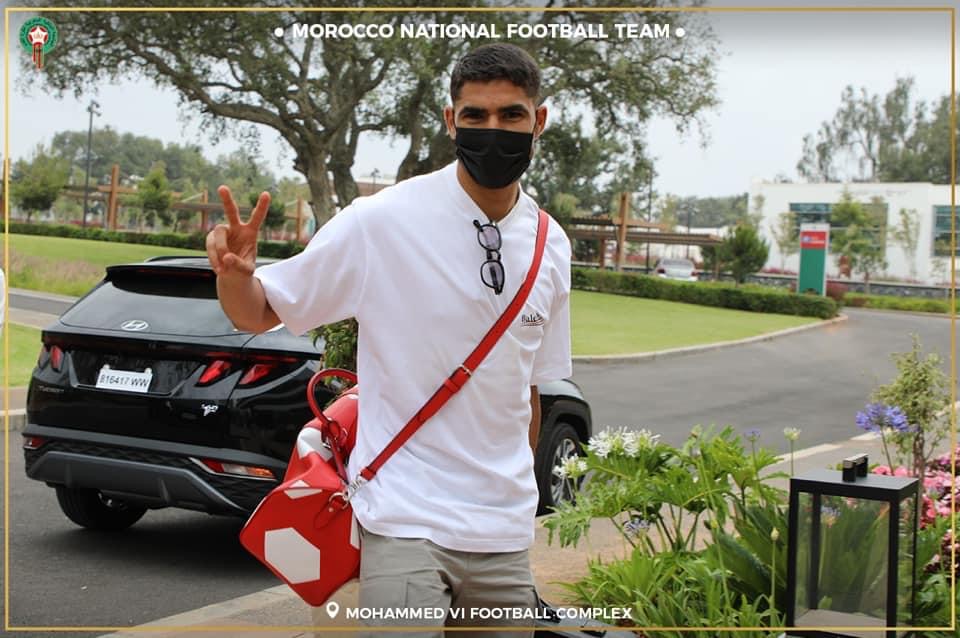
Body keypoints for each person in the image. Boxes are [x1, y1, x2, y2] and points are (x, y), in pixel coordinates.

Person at [206, 43, 571, 637]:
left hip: (503, 535)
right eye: (475, 115)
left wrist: (517, 499)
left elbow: (527, 392)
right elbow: (258, 312)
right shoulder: (382, 220)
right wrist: (234, 278)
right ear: (450, 121)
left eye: (511, 115)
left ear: (540, 121)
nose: (493, 130)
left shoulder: (550, 244)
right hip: (405, 523)